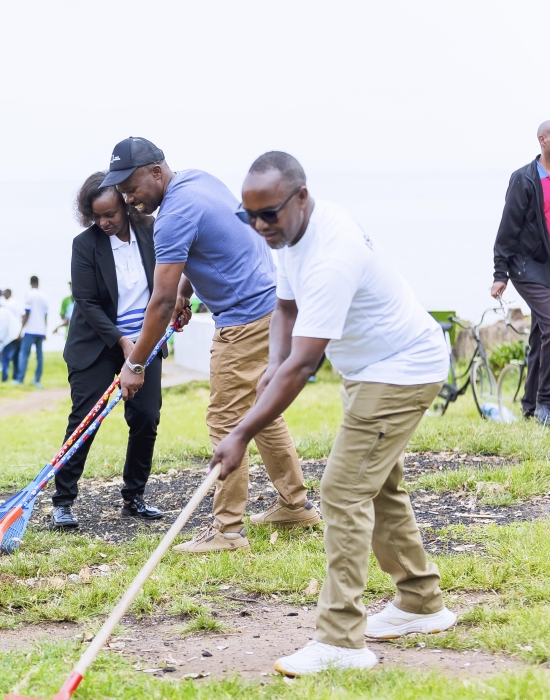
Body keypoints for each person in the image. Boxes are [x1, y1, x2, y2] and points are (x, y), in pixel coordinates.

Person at [211, 152, 456, 675]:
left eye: (268, 215)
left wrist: (242, 432)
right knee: (377, 485)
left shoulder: (332, 253)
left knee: (343, 492)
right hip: (371, 368)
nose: (258, 227)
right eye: (247, 216)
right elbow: (286, 308)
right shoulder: (289, 231)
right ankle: (419, 602)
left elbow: (303, 365)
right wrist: (269, 367)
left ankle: (341, 642)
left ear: (300, 198)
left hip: (402, 368)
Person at [109, 137, 318, 554]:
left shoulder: (172, 217)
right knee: (261, 412)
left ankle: (227, 531)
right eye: (121, 190)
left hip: (242, 321)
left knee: (225, 420)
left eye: (131, 186)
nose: (127, 198)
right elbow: (209, 252)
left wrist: (135, 363)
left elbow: (160, 301)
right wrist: (189, 291)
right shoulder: (198, 181)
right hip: (271, 307)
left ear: (155, 171)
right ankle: (295, 505)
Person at [52, 172, 173, 527]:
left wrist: (140, 347)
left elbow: (173, 275)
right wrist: (122, 343)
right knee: (86, 420)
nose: (104, 222)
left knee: (146, 418)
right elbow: (86, 302)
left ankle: (134, 497)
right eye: (97, 216)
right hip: (98, 346)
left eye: (111, 214)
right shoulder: (85, 244)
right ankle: (63, 501)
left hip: (145, 344)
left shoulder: (153, 231)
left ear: (126, 205)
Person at [491, 120, 550, 422]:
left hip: (548, 267)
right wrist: (500, 274)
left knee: (542, 332)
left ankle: (529, 405)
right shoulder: (524, 179)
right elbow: (507, 229)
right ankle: (545, 405)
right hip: (526, 268)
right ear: (542, 140)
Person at [16, 276, 49, 387]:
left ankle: (20, 379)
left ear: (30, 283)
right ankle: (37, 380)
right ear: (38, 283)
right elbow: (45, 316)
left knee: (24, 354)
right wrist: (45, 331)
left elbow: (27, 313)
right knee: (39, 356)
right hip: (40, 330)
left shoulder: (29, 295)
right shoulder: (44, 296)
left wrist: (20, 330)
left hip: (30, 330)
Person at [0, 295, 22, 382]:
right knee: (16, 359)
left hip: (10, 338)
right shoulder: (7, 310)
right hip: (18, 335)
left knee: (5, 358)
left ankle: (4, 379)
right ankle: (16, 377)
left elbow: (2, 327)